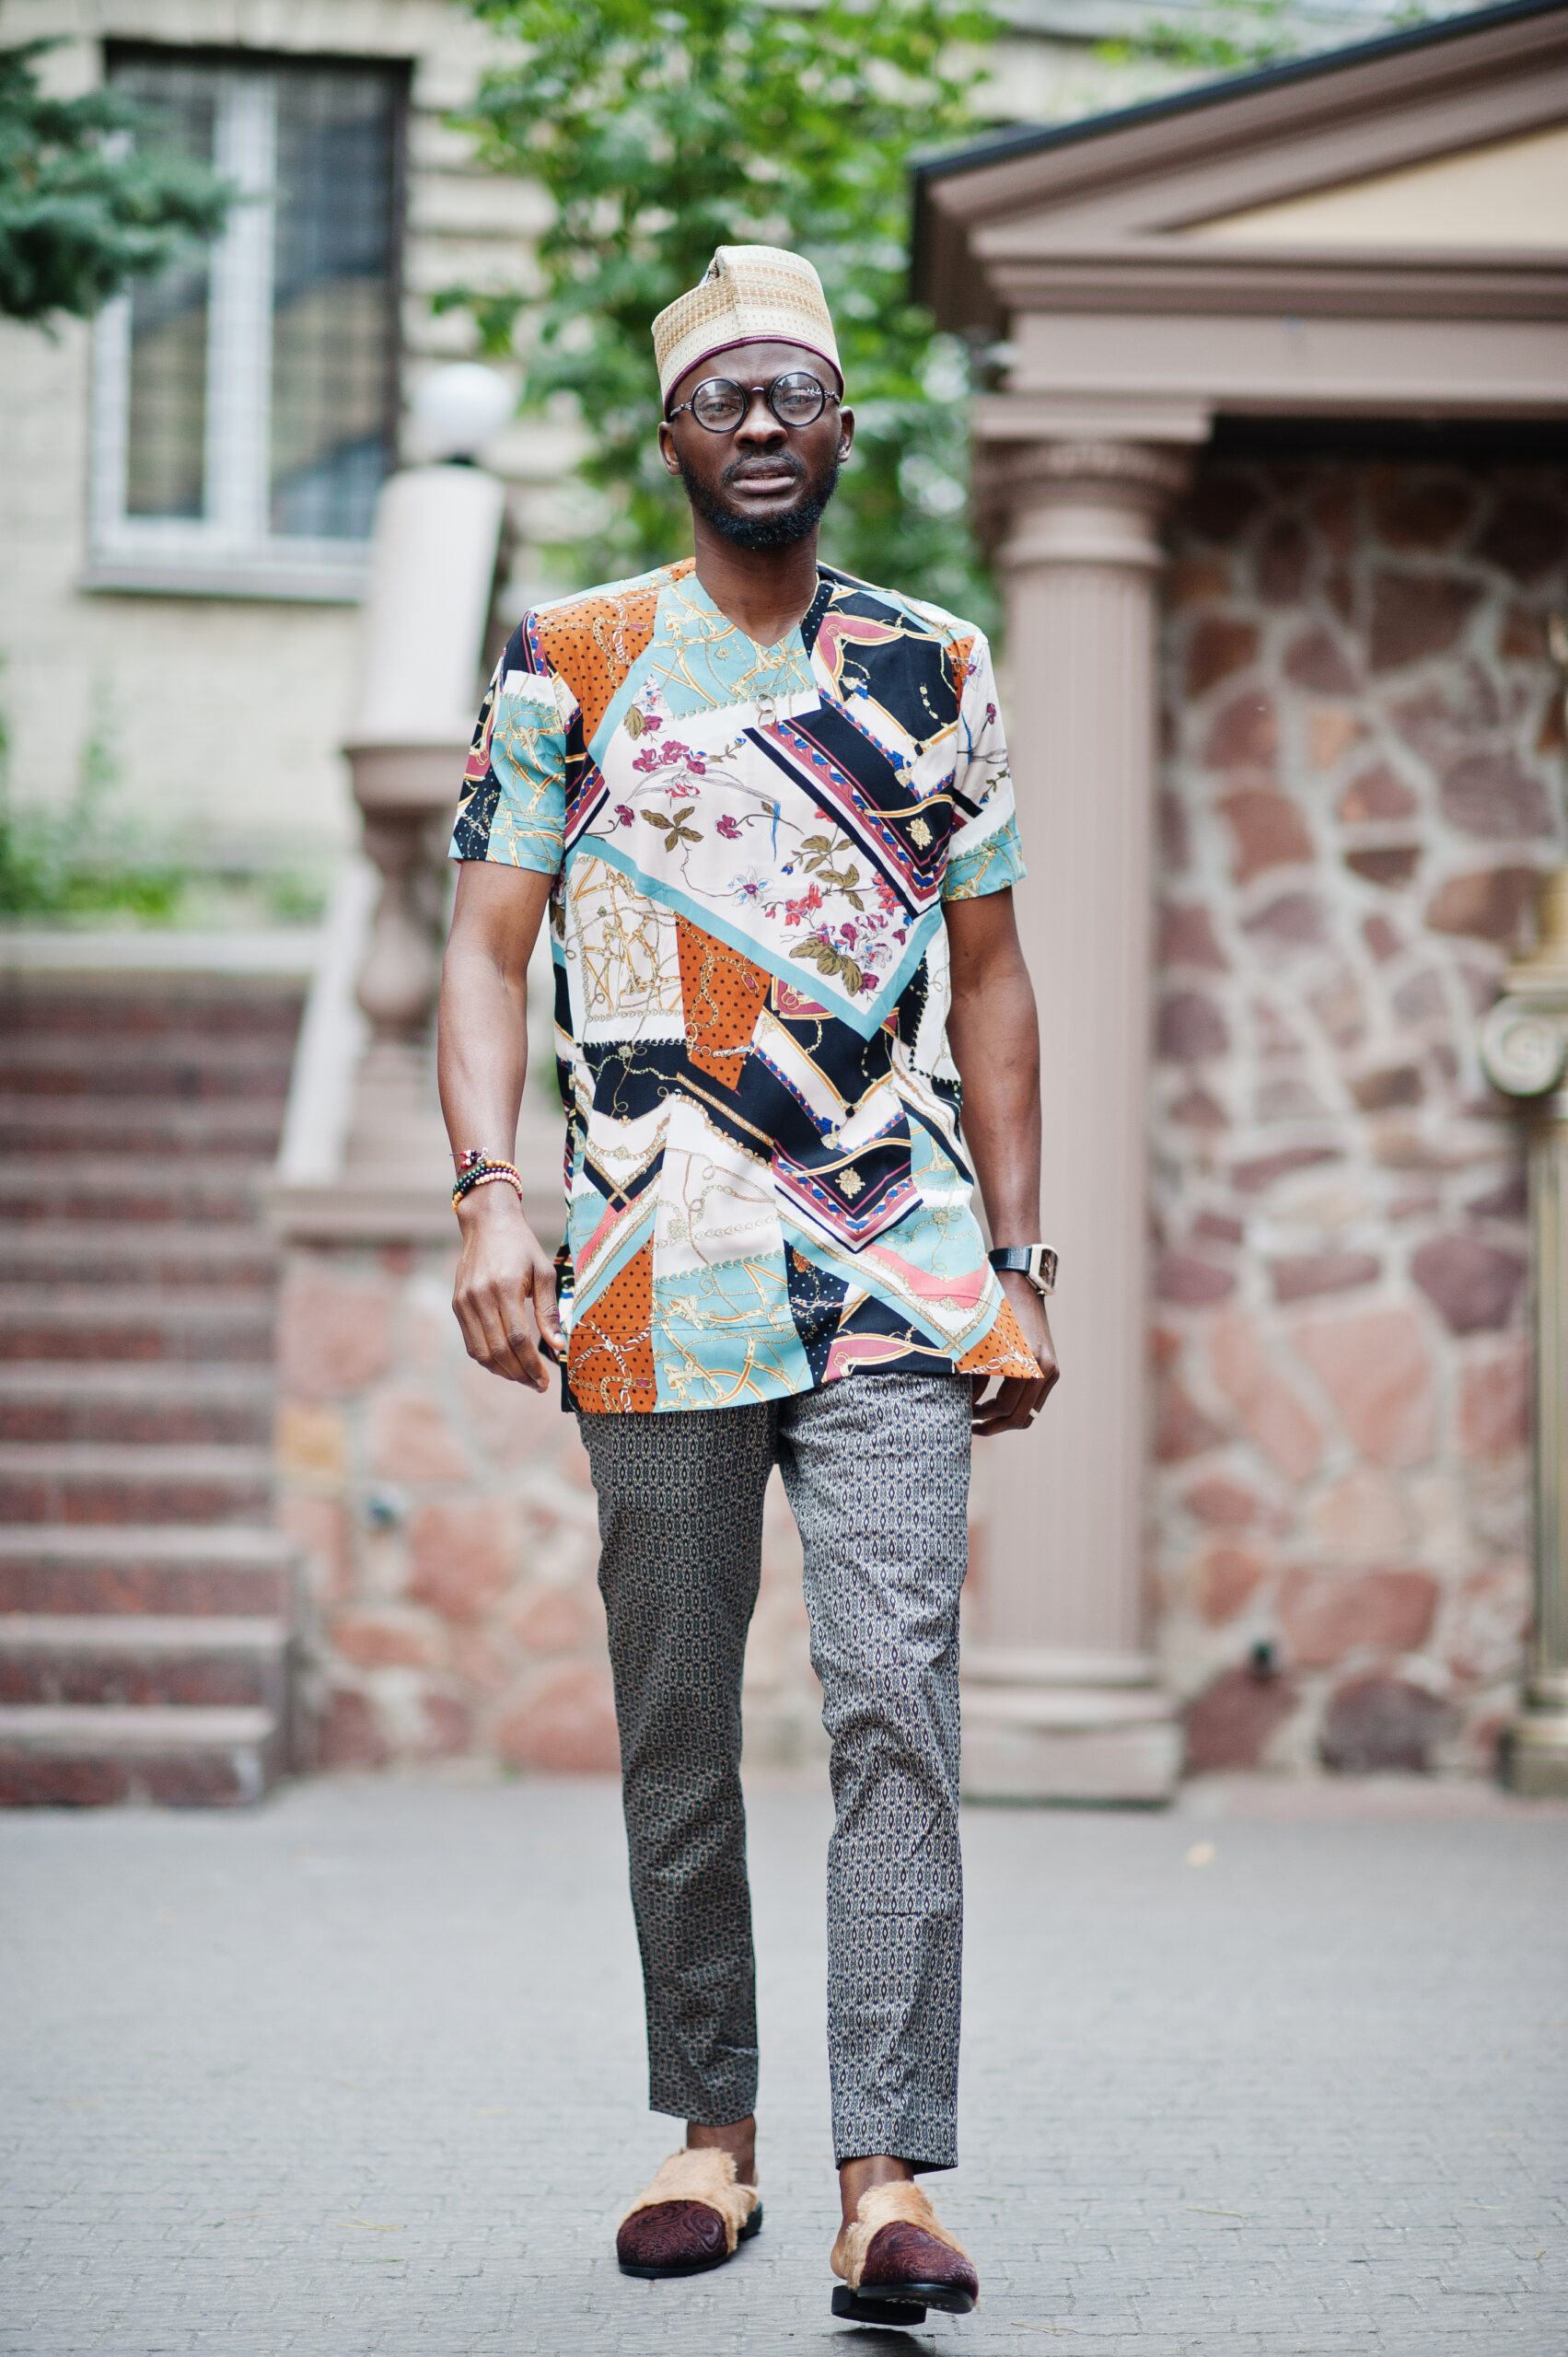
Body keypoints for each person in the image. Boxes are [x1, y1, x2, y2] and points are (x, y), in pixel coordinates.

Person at [437, 243, 1059, 2328]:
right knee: (676, 1713)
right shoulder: (573, 658)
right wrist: (486, 1195)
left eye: (802, 388)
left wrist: (1024, 1269)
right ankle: (712, 2129)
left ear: (847, 426)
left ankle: (889, 2175)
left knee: (898, 1697)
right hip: (654, 1261)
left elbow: (991, 976)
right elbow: (478, 946)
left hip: (892, 1256)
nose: (768, 421)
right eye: (731, 394)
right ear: (677, 431)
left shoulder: (938, 665)